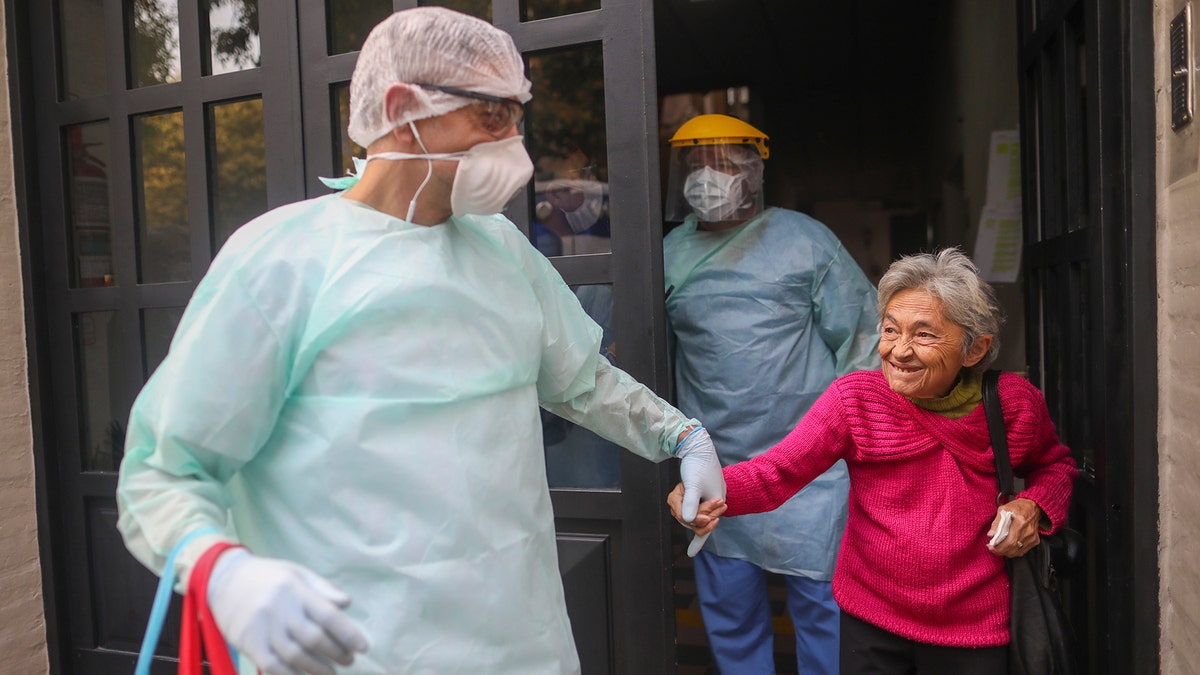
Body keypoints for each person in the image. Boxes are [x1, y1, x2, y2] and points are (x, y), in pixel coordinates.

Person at [116, 8, 725, 675]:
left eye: (519, 116)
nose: (515, 143)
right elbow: (164, 472)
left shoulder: (502, 252)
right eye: (493, 117)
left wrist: (681, 436)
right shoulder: (282, 262)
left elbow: (584, 381)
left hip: (522, 647)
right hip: (355, 654)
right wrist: (223, 570)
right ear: (403, 106)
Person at [669, 248, 1078, 674]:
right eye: (889, 330)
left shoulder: (1012, 405)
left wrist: (1033, 506)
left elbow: (1056, 467)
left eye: (924, 335)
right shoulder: (854, 400)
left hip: (973, 629)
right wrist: (705, 489)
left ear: (974, 350)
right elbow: (777, 472)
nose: (898, 351)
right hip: (872, 620)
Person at [662, 113, 879, 674]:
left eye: (724, 163)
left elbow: (862, 341)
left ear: (754, 173)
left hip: (812, 467)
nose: (706, 176)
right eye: (694, 163)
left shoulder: (805, 242)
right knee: (731, 617)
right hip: (718, 464)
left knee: (824, 614)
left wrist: (858, 440)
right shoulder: (666, 254)